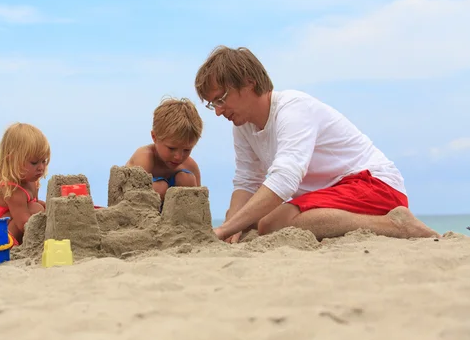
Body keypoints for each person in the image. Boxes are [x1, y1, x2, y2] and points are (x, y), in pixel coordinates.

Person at [193, 45, 438, 242]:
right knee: (258, 218)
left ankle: (397, 224)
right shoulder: (243, 124)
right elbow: (247, 179)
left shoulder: (293, 108)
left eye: (221, 99)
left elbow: (285, 179)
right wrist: (231, 226)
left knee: (270, 222)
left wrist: (224, 229)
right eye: (212, 104)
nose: (218, 111)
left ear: (249, 83)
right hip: (334, 193)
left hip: (374, 184)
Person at [0, 122, 50, 245]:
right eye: (34, 162)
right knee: (35, 209)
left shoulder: (31, 183)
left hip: (6, 232)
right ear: (12, 160)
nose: (41, 167)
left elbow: (33, 204)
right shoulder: (11, 190)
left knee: (39, 207)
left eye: (44, 161)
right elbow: (24, 224)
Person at [126, 97, 203, 204]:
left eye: (186, 150)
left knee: (187, 179)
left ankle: (179, 220)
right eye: (171, 148)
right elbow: (132, 197)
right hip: (142, 212)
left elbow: (200, 204)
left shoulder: (190, 166)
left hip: (173, 215)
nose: (178, 156)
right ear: (154, 137)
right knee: (160, 187)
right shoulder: (145, 158)